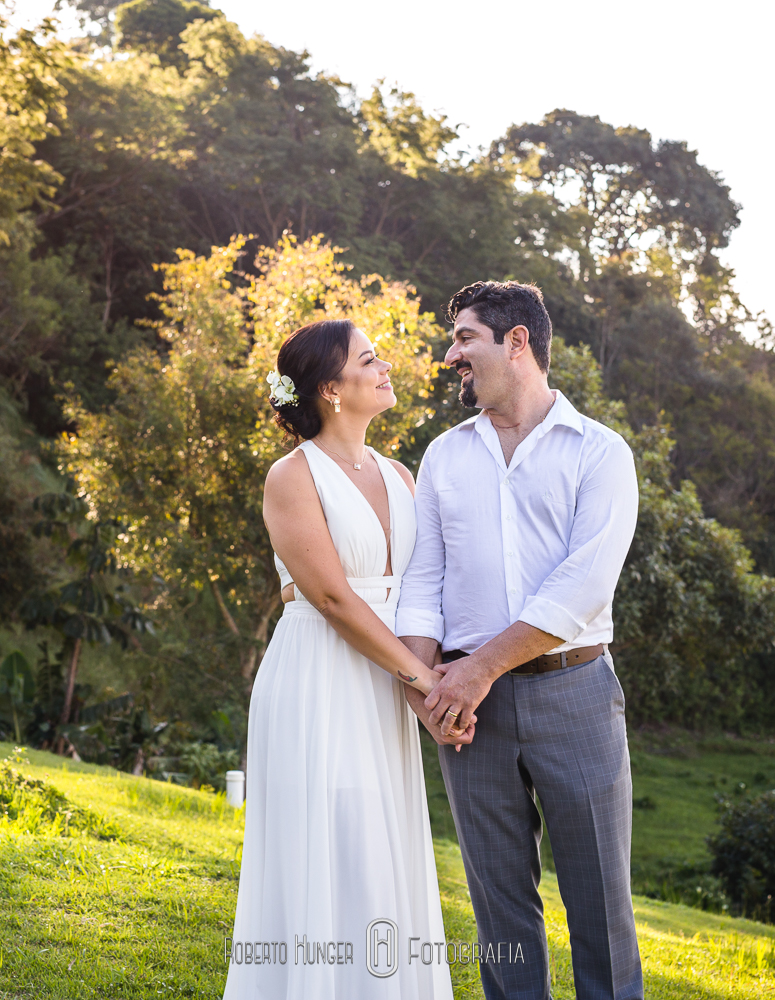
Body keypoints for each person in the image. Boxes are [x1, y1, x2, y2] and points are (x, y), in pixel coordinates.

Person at [396, 282, 642, 1000]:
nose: (451, 356)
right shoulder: (443, 456)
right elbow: (424, 579)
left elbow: (584, 584)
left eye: (465, 338)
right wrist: (424, 686)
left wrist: (475, 671)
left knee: (600, 904)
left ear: (517, 342)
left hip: (576, 694)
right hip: (470, 717)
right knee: (499, 911)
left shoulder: (600, 453)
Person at [225, 318, 472, 1000]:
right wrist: (424, 683)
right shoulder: (292, 476)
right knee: (332, 842)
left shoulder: (399, 474)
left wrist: (444, 679)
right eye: (369, 359)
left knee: (382, 845)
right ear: (331, 390)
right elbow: (332, 597)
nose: (384, 366)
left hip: (388, 678)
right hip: (320, 677)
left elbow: (423, 589)